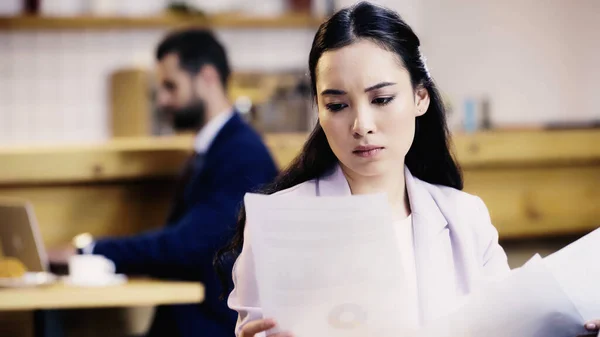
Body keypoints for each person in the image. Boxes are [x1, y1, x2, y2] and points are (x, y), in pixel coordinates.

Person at [213, 2, 600, 337]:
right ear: (318, 107)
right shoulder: (281, 222)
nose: (361, 124)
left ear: (420, 98)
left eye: (381, 98)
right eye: (337, 105)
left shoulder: (466, 218)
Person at [49, 29, 279, 337]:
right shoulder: (217, 148)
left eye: (171, 86)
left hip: (213, 326)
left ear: (207, 78)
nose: (162, 100)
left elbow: (187, 245)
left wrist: (90, 249)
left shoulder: (242, 153)